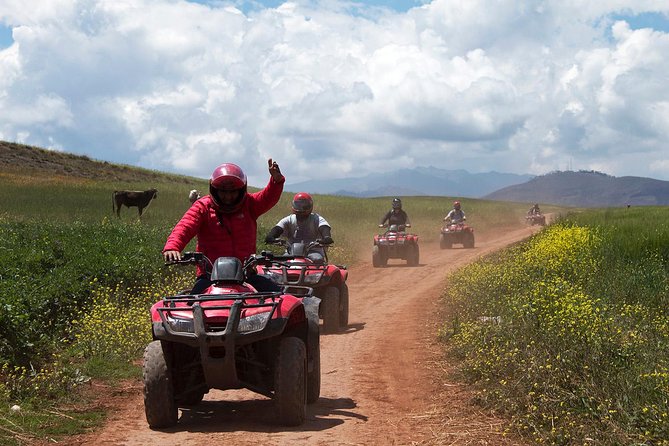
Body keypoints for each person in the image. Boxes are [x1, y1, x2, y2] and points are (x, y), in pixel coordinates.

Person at [163, 159, 285, 293]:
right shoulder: (203, 206)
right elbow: (185, 226)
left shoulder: (249, 204)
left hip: (246, 275)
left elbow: (267, 198)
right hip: (210, 276)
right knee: (191, 306)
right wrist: (172, 247)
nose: (228, 197)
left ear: (241, 190)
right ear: (214, 190)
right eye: (223, 192)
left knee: (280, 299)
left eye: (233, 192)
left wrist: (276, 182)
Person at [264, 192, 333, 264]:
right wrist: (271, 236)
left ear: (310, 206)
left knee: (317, 260)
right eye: (298, 205)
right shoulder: (289, 219)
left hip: (313, 251)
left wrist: (326, 237)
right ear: (293, 205)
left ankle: (316, 275)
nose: (301, 208)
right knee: (282, 262)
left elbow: (324, 227)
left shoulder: (316, 218)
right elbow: (278, 228)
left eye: (304, 206)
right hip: (291, 251)